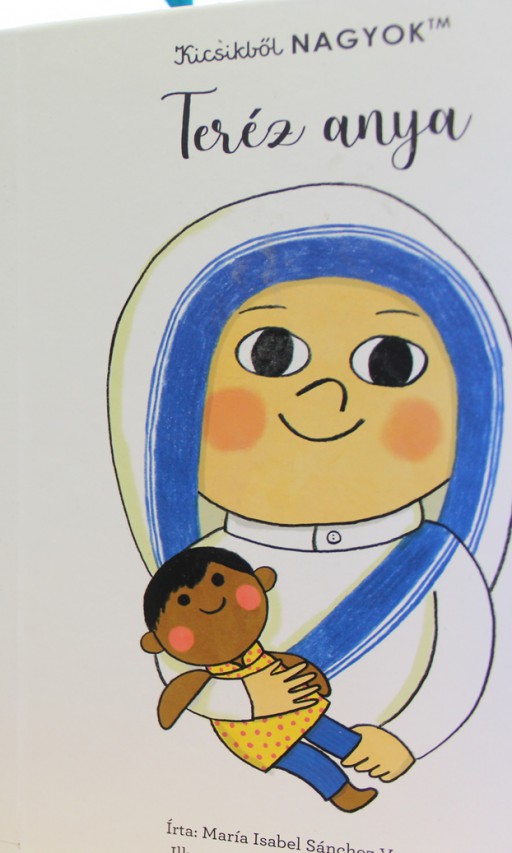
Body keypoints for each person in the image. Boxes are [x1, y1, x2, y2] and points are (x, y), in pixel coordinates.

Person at [109, 184, 506, 776]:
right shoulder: (207, 563)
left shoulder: (437, 562)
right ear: (176, 412)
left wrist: (408, 739)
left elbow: (463, 662)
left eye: (391, 363)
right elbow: (179, 660)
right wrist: (249, 700)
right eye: (271, 353)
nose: (328, 397)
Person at [141, 546, 382, 812]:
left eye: (218, 581)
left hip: (297, 709)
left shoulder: (263, 658)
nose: (210, 604)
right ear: (156, 642)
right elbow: (177, 697)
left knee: (322, 727)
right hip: (256, 734)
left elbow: (291, 664)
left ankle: (359, 750)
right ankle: (343, 793)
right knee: (305, 759)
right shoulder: (205, 681)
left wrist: (314, 678)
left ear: (262, 581)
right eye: (184, 602)